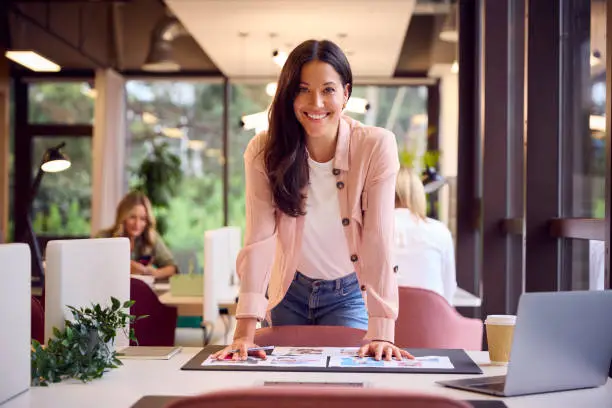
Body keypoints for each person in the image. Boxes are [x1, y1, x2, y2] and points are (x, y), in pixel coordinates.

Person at [213, 39, 411, 362]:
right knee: (285, 390)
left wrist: (382, 331)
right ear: (290, 94)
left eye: (328, 90)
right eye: (303, 89)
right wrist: (244, 333)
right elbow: (259, 239)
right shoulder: (264, 152)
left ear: (346, 93)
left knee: (346, 389)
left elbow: (378, 238)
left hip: (347, 294)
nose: (316, 102)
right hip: (288, 292)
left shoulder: (376, 146)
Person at [394, 168, 456, 304]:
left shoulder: (372, 230)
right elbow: (448, 293)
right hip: (431, 319)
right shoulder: (440, 231)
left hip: (384, 321)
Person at [96, 191, 177, 279]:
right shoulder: (104, 237)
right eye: (132, 217)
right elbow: (93, 266)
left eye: (142, 219)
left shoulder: (151, 237)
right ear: (123, 217)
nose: (137, 224)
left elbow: (172, 267)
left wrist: (153, 273)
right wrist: (125, 266)